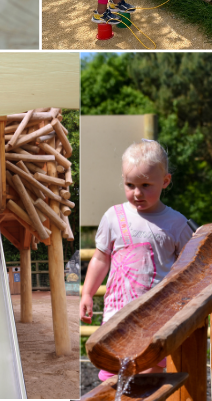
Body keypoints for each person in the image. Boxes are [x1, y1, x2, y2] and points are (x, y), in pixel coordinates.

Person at [80, 140, 193, 381]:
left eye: (145, 185)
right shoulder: (114, 216)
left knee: (148, 376)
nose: (137, 193)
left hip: (156, 316)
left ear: (165, 181)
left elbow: (189, 267)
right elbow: (101, 258)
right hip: (117, 314)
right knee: (113, 376)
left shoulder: (176, 223)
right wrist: (88, 293)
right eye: (130, 185)